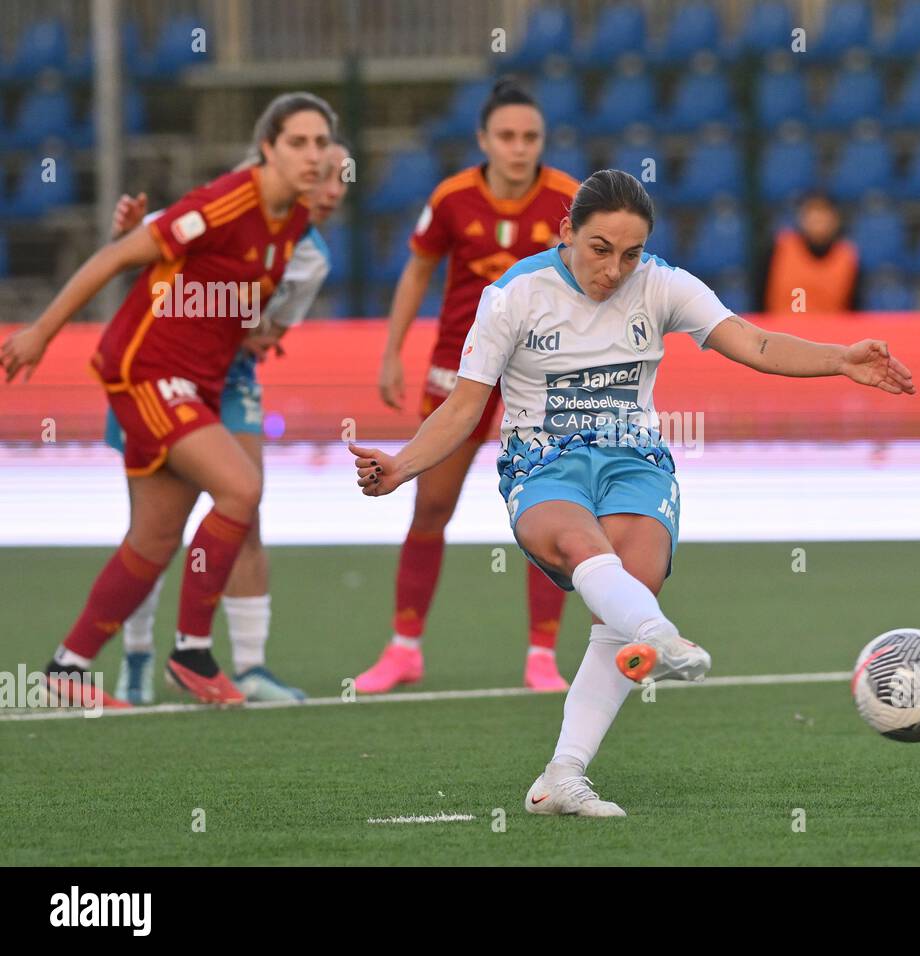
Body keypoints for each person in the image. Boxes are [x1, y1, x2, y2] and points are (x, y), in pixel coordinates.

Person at [348, 170, 915, 815]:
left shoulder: (664, 286)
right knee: (581, 546)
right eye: (599, 248)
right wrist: (401, 466)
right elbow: (463, 407)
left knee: (631, 582)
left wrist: (840, 358)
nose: (614, 269)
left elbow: (753, 342)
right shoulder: (513, 296)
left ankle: (563, 775)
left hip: (634, 460)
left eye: (630, 253)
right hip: (543, 460)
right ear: (566, 232)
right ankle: (659, 634)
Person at [1, 92, 334, 708]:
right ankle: (192, 652)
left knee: (153, 540)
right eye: (298, 142)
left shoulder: (291, 224)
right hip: (147, 371)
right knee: (241, 487)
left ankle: (65, 670)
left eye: (322, 144)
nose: (313, 156)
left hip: (194, 382)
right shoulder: (226, 202)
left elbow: (223, 296)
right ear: (267, 147)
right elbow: (116, 257)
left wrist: (256, 330)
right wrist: (41, 332)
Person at [105, 139, 352, 704]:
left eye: (342, 178)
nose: (334, 190)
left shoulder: (311, 256)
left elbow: (266, 333)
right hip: (157, 372)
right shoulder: (223, 207)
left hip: (229, 379)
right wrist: (128, 231)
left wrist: (239, 327)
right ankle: (138, 659)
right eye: (325, 175)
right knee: (151, 531)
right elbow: (142, 253)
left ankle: (248, 667)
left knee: (245, 508)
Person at [356, 77, 580, 694]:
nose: (518, 147)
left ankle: (542, 656)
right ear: (483, 139)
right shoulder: (453, 198)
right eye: (506, 136)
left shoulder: (568, 200)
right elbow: (417, 271)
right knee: (431, 505)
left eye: (530, 136)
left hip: (539, 377)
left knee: (551, 510)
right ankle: (404, 649)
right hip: (459, 370)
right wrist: (392, 351)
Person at [755, 191, 860, 314]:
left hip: (829, 331)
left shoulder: (847, 256)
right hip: (780, 329)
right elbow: (759, 296)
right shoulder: (779, 248)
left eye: (824, 214)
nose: (818, 220)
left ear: (835, 219)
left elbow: (854, 309)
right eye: (812, 213)